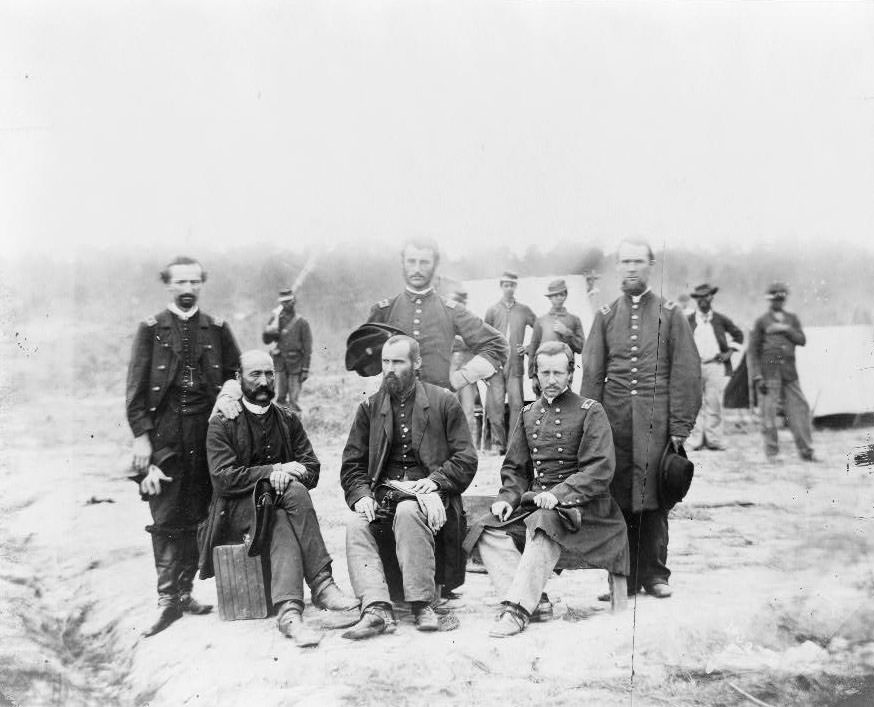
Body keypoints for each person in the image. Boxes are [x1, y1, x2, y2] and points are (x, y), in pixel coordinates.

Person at [465, 342, 629, 637]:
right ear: (535, 375)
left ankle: (516, 610)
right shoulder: (528, 413)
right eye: (545, 373)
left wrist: (558, 495)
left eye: (558, 373)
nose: (551, 380)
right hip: (538, 506)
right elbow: (515, 469)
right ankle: (536, 602)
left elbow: (598, 470)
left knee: (545, 520)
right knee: (486, 528)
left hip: (587, 511)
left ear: (570, 374)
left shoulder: (590, 411)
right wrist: (507, 498)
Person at [200, 350, 357, 646]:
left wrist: (286, 476)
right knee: (293, 493)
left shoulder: (287, 419)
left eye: (269, 374)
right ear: (238, 379)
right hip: (237, 510)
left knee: (282, 516)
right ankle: (322, 584)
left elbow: (312, 468)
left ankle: (289, 614)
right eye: (254, 375)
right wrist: (274, 471)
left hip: (278, 508)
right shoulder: (223, 423)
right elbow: (224, 478)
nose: (263, 381)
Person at [126, 255, 241, 636]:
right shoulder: (151, 329)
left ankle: (186, 591)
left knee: (198, 513)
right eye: (181, 283)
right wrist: (141, 437)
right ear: (168, 285)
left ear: (201, 284)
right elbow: (136, 390)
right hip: (164, 435)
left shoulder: (217, 328)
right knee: (165, 514)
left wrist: (229, 390)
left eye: (195, 282)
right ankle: (166, 602)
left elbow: (236, 374)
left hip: (207, 435)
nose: (188, 289)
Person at [581, 240, 701, 599]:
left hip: (657, 421)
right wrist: (589, 425)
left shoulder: (671, 313)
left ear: (651, 265)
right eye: (624, 262)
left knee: (656, 496)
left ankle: (655, 575)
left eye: (637, 261)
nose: (630, 268)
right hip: (614, 422)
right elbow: (592, 374)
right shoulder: (604, 315)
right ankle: (621, 578)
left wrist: (680, 425)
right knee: (616, 497)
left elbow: (686, 372)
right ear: (617, 267)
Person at [339, 335, 477, 639]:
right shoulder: (370, 408)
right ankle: (376, 608)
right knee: (356, 522)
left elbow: (466, 458)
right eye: (385, 362)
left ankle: (422, 603)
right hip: (383, 496)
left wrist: (434, 482)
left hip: (431, 499)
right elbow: (352, 464)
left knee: (407, 510)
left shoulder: (443, 401)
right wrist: (361, 495)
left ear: (417, 364)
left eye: (398, 362)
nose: (389, 369)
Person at [366, 237, 507, 392]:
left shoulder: (452, 310)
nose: (417, 269)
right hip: (394, 407)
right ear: (403, 264)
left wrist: (461, 378)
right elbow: (367, 366)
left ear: (435, 265)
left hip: (438, 407)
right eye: (411, 261)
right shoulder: (383, 311)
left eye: (424, 262)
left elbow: (497, 344)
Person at [748, 282, 816, 462]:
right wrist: (757, 376)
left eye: (781, 298)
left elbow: (802, 340)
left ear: (785, 299)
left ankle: (807, 452)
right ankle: (772, 454)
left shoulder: (792, 319)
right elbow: (753, 351)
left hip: (789, 372)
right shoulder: (762, 321)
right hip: (768, 372)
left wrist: (785, 329)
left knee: (800, 410)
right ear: (769, 300)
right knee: (768, 413)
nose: (778, 301)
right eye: (775, 298)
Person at [686, 283, 744, 451]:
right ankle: (695, 441)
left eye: (706, 296)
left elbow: (738, 335)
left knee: (715, 403)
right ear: (696, 300)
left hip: (715, 366)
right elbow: (678, 340)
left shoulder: (720, 319)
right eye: (699, 298)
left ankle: (714, 440)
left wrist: (729, 352)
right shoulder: (688, 320)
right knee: (694, 404)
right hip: (694, 367)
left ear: (711, 297)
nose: (703, 300)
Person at [484, 271, 537, 454]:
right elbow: (484, 336)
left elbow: (539, 328)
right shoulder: (492, 310)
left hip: (515, 363)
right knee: (495, 405)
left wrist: (529, 347)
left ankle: (515, 446)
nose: (509, 288)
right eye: (505, 284)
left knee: (516, 404)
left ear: (516, 286)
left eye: (512, 285)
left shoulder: (524, 310)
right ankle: (498, 445)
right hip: (496, 364)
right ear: (501, 286)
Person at [527, 279, 585, 394]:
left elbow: (581, 347)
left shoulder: (574, 320)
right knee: (543, 407)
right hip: (543, 371)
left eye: (561, 294)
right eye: (555, 295)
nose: (558, 298)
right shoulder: (541, 321)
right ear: (550, 298)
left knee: (564, 405)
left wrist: (567, 333)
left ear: (565, 296)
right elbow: (533, 349)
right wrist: (533, 375)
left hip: (564, 372)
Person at [262, 288, 313, 413]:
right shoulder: (276, 319)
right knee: (279, 399)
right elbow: (266, 340)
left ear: (294, 301)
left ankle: (294, 426)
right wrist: (271, 329)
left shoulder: (302, 322)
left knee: (294, 401)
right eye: (284, 302)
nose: (286, 304)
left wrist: (305, 369)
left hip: (296, 364)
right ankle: (280, 427)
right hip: (279, 364)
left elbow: (307, 348)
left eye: (289, 301)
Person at [449, 288, 480, 445]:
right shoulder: (444, 322)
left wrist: (463, 342)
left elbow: (478, 344)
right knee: (450, 408)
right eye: (455, 302)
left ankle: (468, 446)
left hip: (467, 371)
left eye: (460, 302)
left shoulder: (472, 322)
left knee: (468, 409)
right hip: (451, 371)